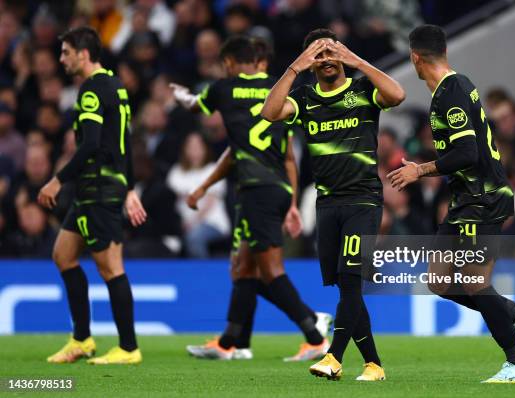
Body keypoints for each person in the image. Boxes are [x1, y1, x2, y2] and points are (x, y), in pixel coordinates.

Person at [388, 25, 515, 383]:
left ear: (415, 57)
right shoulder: (451, 89)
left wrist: (420, 170)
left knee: (474, 281)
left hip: (483, 198)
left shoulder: (452, 90)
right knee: (439, 281)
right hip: (465, 200)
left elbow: (467, 152)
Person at [171, 35, 331, 361]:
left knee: (270, 271)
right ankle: (230, 343)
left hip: (255, 190)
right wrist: (290, 204)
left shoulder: (224, 88)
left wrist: (180, 94)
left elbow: (194, 105)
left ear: (228, 63)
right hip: (276, 189)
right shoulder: (278, 89)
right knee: (244, 268)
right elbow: (288, 156)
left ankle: (314, 332)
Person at [262, 28, 405, 381]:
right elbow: (269, 112)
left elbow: (397, 94)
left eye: (331, 53)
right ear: (310, 62)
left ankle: (334, 356)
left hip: (363, 200)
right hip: (327, 204)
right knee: (346, 287)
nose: (326, 61)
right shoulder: (306, 96)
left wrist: (355, 59)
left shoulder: (362, 90)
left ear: (341, 56)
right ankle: (373, 364)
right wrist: (295, 67)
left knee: (352, 280)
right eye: (319, 55)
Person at [38, 26, 147, 365]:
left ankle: (128, 348)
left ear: (83, 54)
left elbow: (90, 145)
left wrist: (57, 180)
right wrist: (129, 187)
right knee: (63, 255)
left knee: (111, 268)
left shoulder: (91, 90)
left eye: (66, 52)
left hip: (98, 187)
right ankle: (81, 339)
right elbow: (124, 142)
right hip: (100, 187)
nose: (62, 59)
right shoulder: (116, 85)